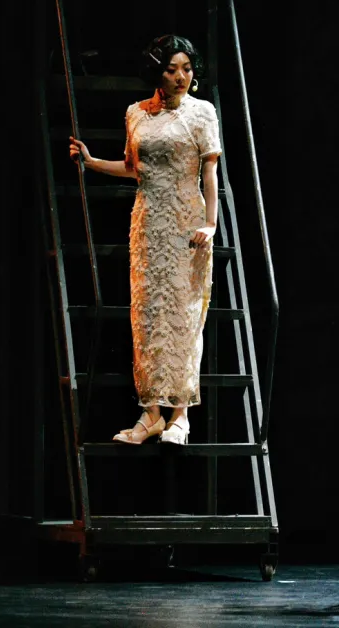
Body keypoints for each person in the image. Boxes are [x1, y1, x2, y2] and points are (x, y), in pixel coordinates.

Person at [69, 35, 221, 446]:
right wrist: (92, 162)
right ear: (156, 72)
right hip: (148, 222)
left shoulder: (202, 112)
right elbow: (135, 168)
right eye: (172, 70)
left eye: (186, 69)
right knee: (148, 315)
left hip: (186, 223)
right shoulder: (135, 113)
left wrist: (210, 223)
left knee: (183, 314)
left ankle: (180, 416)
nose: (181, 77)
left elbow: (209, 172)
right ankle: (151, 412)